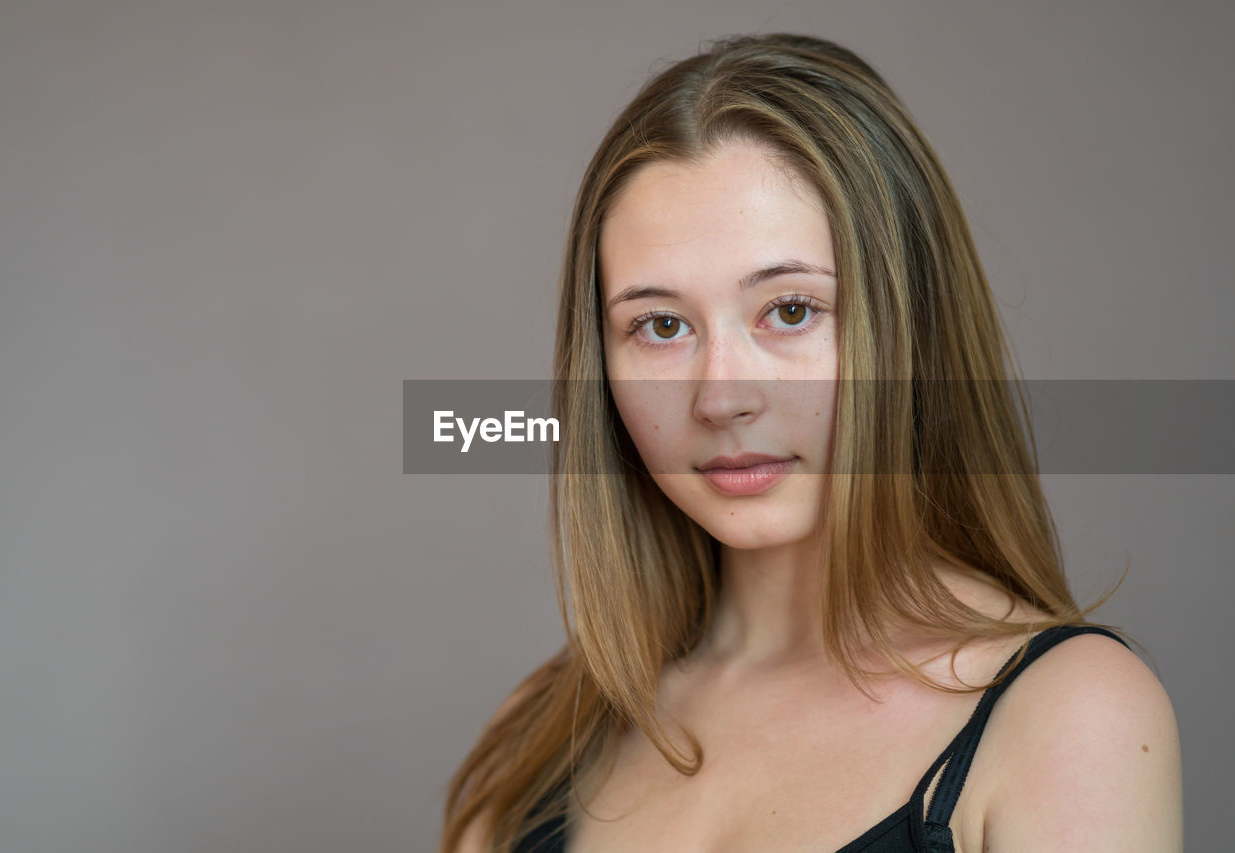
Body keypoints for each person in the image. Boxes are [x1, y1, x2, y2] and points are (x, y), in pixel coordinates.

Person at [441, 33, 1183, 852]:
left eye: (790, 310)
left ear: (913, 330)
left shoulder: (1070, 716)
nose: (722, 396)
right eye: (660, 326)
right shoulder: (541, 733)